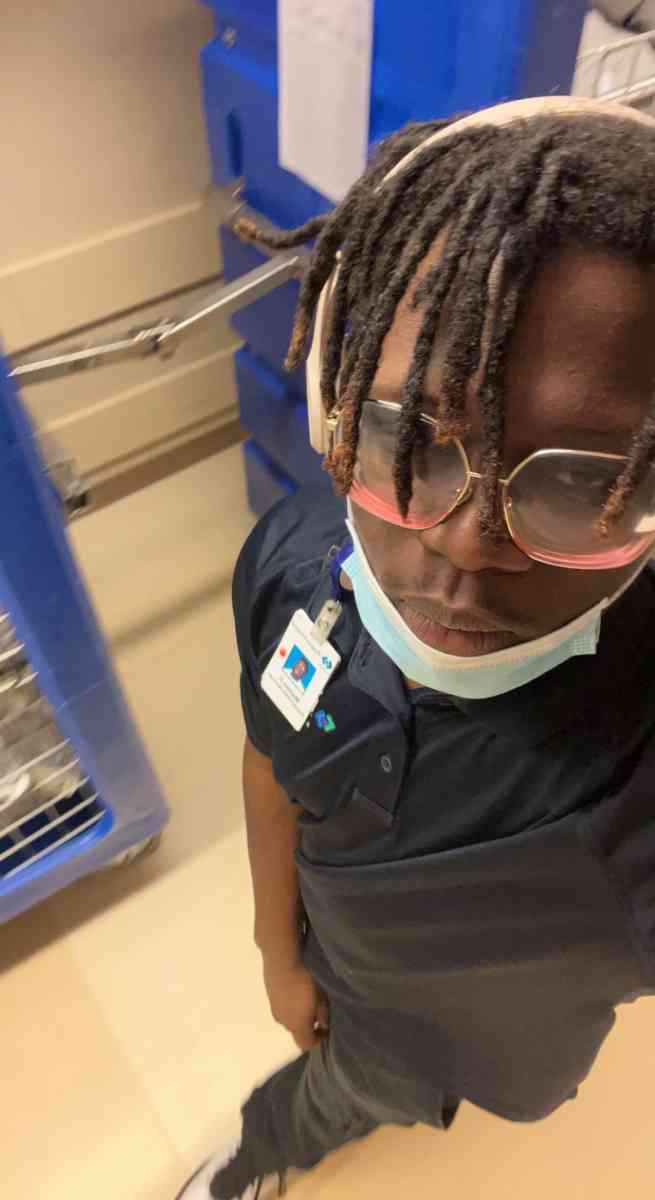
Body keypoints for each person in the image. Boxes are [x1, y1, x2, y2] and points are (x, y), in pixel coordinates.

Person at [177, 96, 655, 1200]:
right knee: (328, 1094)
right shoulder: (294, 565)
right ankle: (263, 1153)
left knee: (406, 1086)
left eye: (587, 483)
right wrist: (276, 951)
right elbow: (270, 757)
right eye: (405, 438)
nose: (466, 544)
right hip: (344, 982)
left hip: (495, 1041)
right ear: (329, 402)